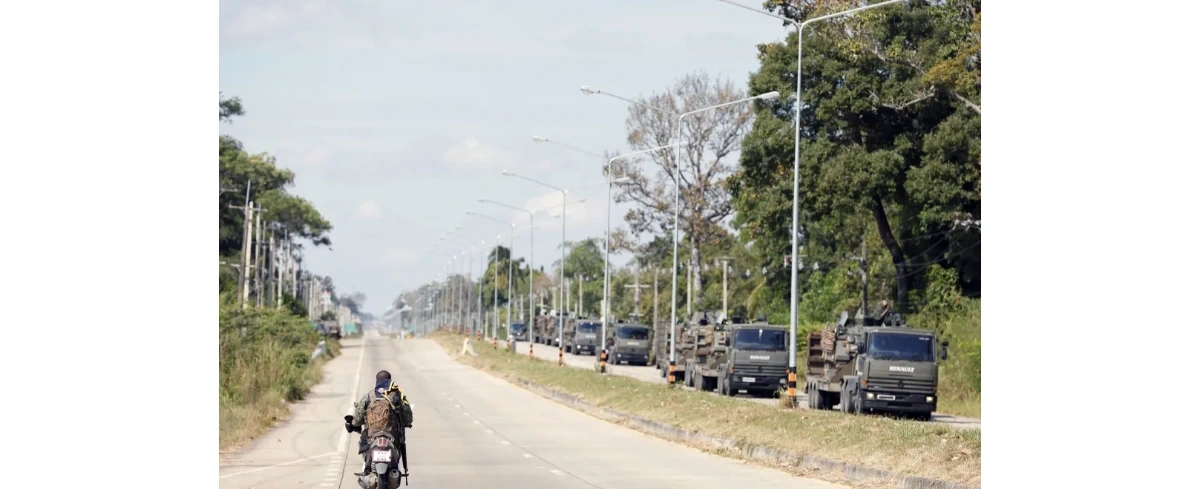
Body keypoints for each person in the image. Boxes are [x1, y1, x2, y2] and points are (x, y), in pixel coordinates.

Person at [344, 370, 413, 476]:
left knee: (363, 441)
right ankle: (396, 468)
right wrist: (405, 422)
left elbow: (358, 419)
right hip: (392, 436)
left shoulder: (368, 396)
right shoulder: (397, 396)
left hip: (372, 436)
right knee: (400, 441)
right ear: (390, 381)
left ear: (377, 381)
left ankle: (366, 467)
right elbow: (408, 418)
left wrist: (352, 424)